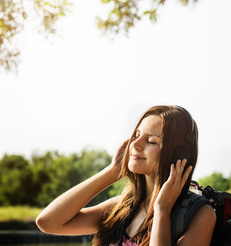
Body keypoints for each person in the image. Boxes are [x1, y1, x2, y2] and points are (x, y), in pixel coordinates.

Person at [36, 105, 216, 246]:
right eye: (136, 135)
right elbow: (48, 222)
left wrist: (162, 210)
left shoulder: (200, 214)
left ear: (179, 157)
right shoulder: (123, 207)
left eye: (151, 141)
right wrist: (113, 171)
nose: (135, 144)